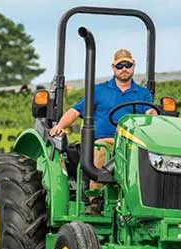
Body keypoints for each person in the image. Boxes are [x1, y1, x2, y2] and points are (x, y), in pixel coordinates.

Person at [49, 48, 157, 213]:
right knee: (102, 148)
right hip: (105, 141)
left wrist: (153, 115)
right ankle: (96, 198)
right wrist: (60, 126)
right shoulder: (99, 91)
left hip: (132, 142)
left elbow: (151, 114)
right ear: (113, 68)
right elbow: (75, 111)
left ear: (133, 66)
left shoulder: (142, 94)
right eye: (120, 65)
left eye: (127, 65)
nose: (124, 69)